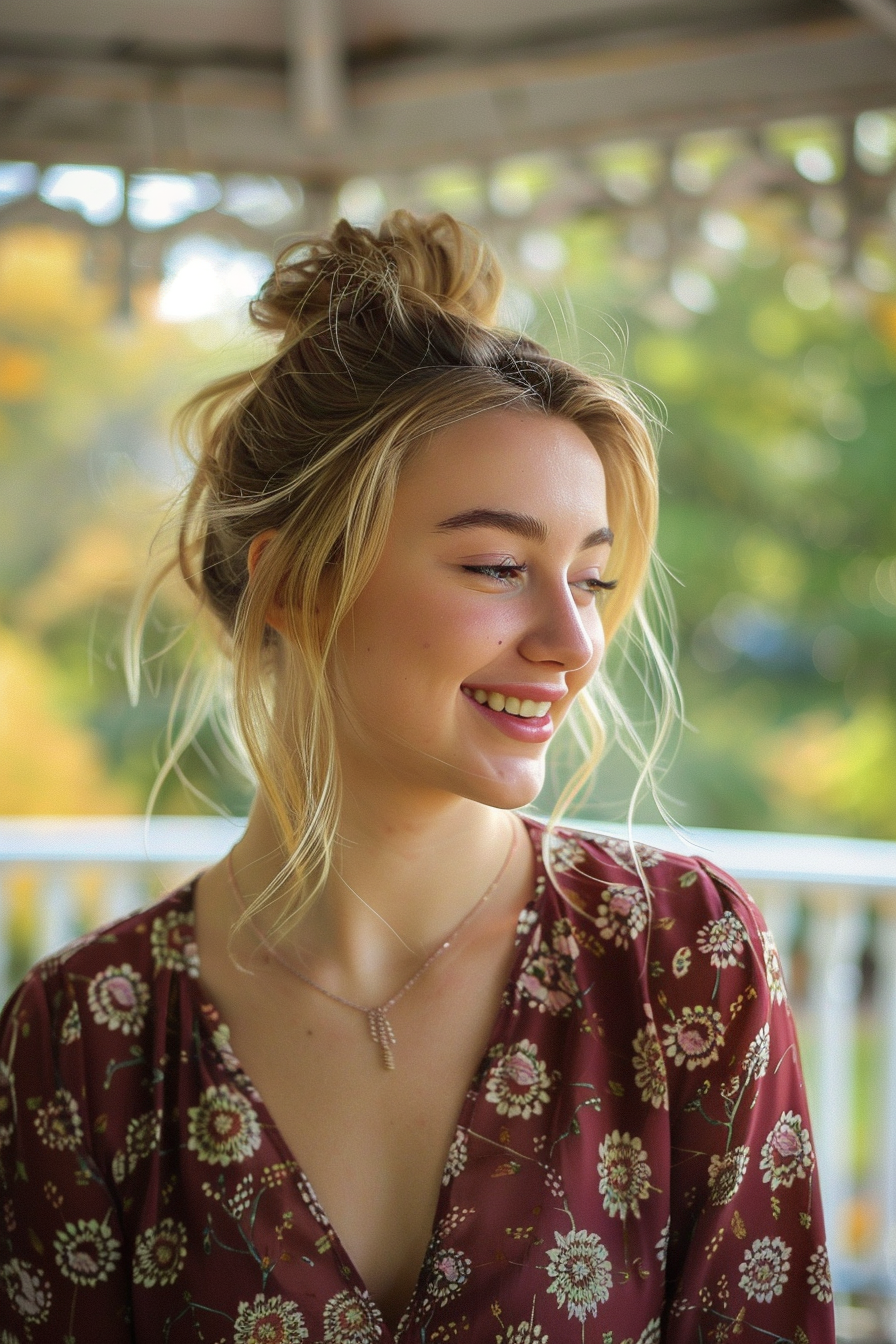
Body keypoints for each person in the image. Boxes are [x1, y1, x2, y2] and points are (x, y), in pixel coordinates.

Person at [0, 211, 834, 1343]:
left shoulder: (679, 963)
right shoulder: (87, 1039)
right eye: (496, 567)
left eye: (587, 580)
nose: (571, 641)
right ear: (294, 581)